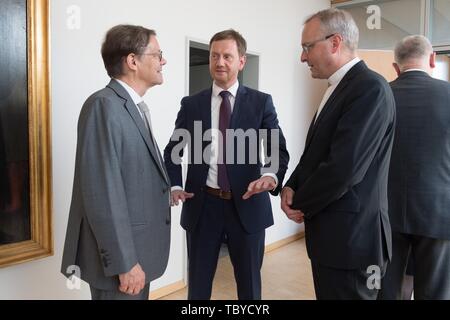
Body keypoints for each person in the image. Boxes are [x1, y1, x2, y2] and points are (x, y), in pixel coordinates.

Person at [164, 29, 289, 300]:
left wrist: (270, 174)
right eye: (214, 56)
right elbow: (172, 151)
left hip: (247, 204)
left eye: (227, 56)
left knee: (250, 287)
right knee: (197, 287)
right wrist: (174, 185)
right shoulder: (191, 104)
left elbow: (276, 147)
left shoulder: (260, 102)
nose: (220, 62)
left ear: (241, 61)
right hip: (203, 207)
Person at [280, 8, 395, 300]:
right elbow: (317, 152)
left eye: (307, 47)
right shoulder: (338, 87)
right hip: (335, 240)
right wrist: (292, 184)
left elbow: (344, 168)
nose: (303, 57)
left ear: (335, 42)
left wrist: (301, 202)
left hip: (352, 244)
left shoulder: (369, 88)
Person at [61, 25, 171, 300]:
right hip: (121, 265)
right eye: (158, 54)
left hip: (138, 254)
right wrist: (125, 263)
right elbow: (102, 193)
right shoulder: (103, 106)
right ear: (132, 61)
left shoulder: (130, 107)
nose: (163, 61)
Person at [378, 35, 450, 300]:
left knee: (386, 290)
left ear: (396, 67)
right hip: (439, 213)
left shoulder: (379, 95)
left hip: (387, 213)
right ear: (432, 59)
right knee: (434, 293)